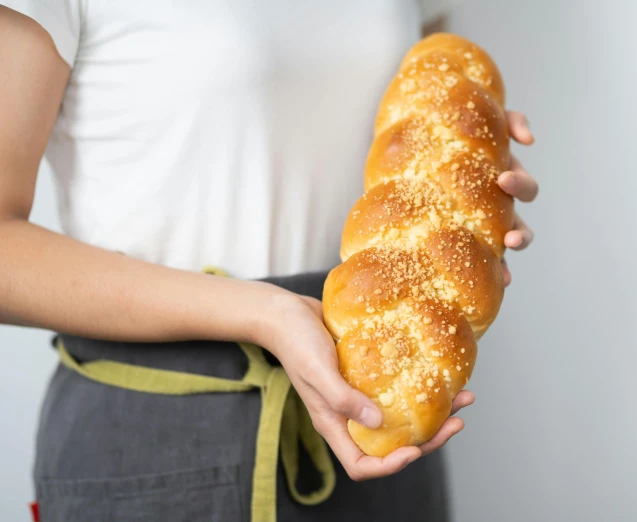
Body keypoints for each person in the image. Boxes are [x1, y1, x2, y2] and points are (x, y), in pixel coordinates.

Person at [0, 1, 538, 520]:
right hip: (155, 438)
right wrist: (266, 313)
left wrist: (473, 175)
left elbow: (415, 103)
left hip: (379, 393)